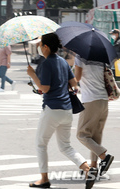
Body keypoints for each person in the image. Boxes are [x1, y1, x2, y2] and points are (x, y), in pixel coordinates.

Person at [27, 33, 96, 189]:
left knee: (40, 144)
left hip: (52, 109)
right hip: (66, 110)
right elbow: (74, 84)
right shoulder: (63, 62)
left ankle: (44, 178)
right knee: (65, 146)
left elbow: (45, 88)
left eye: (40, 44)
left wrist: (32, 75)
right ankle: (87, 169)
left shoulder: (45, 64)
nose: (38, 47)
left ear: (46, 47)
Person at [75, 55, 114, 177]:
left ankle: (104, 156)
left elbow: (77, 78)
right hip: (103, 100)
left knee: (82, 134)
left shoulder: (80, 57)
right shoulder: (101, 58)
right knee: (95, 135)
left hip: (91, 100)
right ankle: (93, 166)